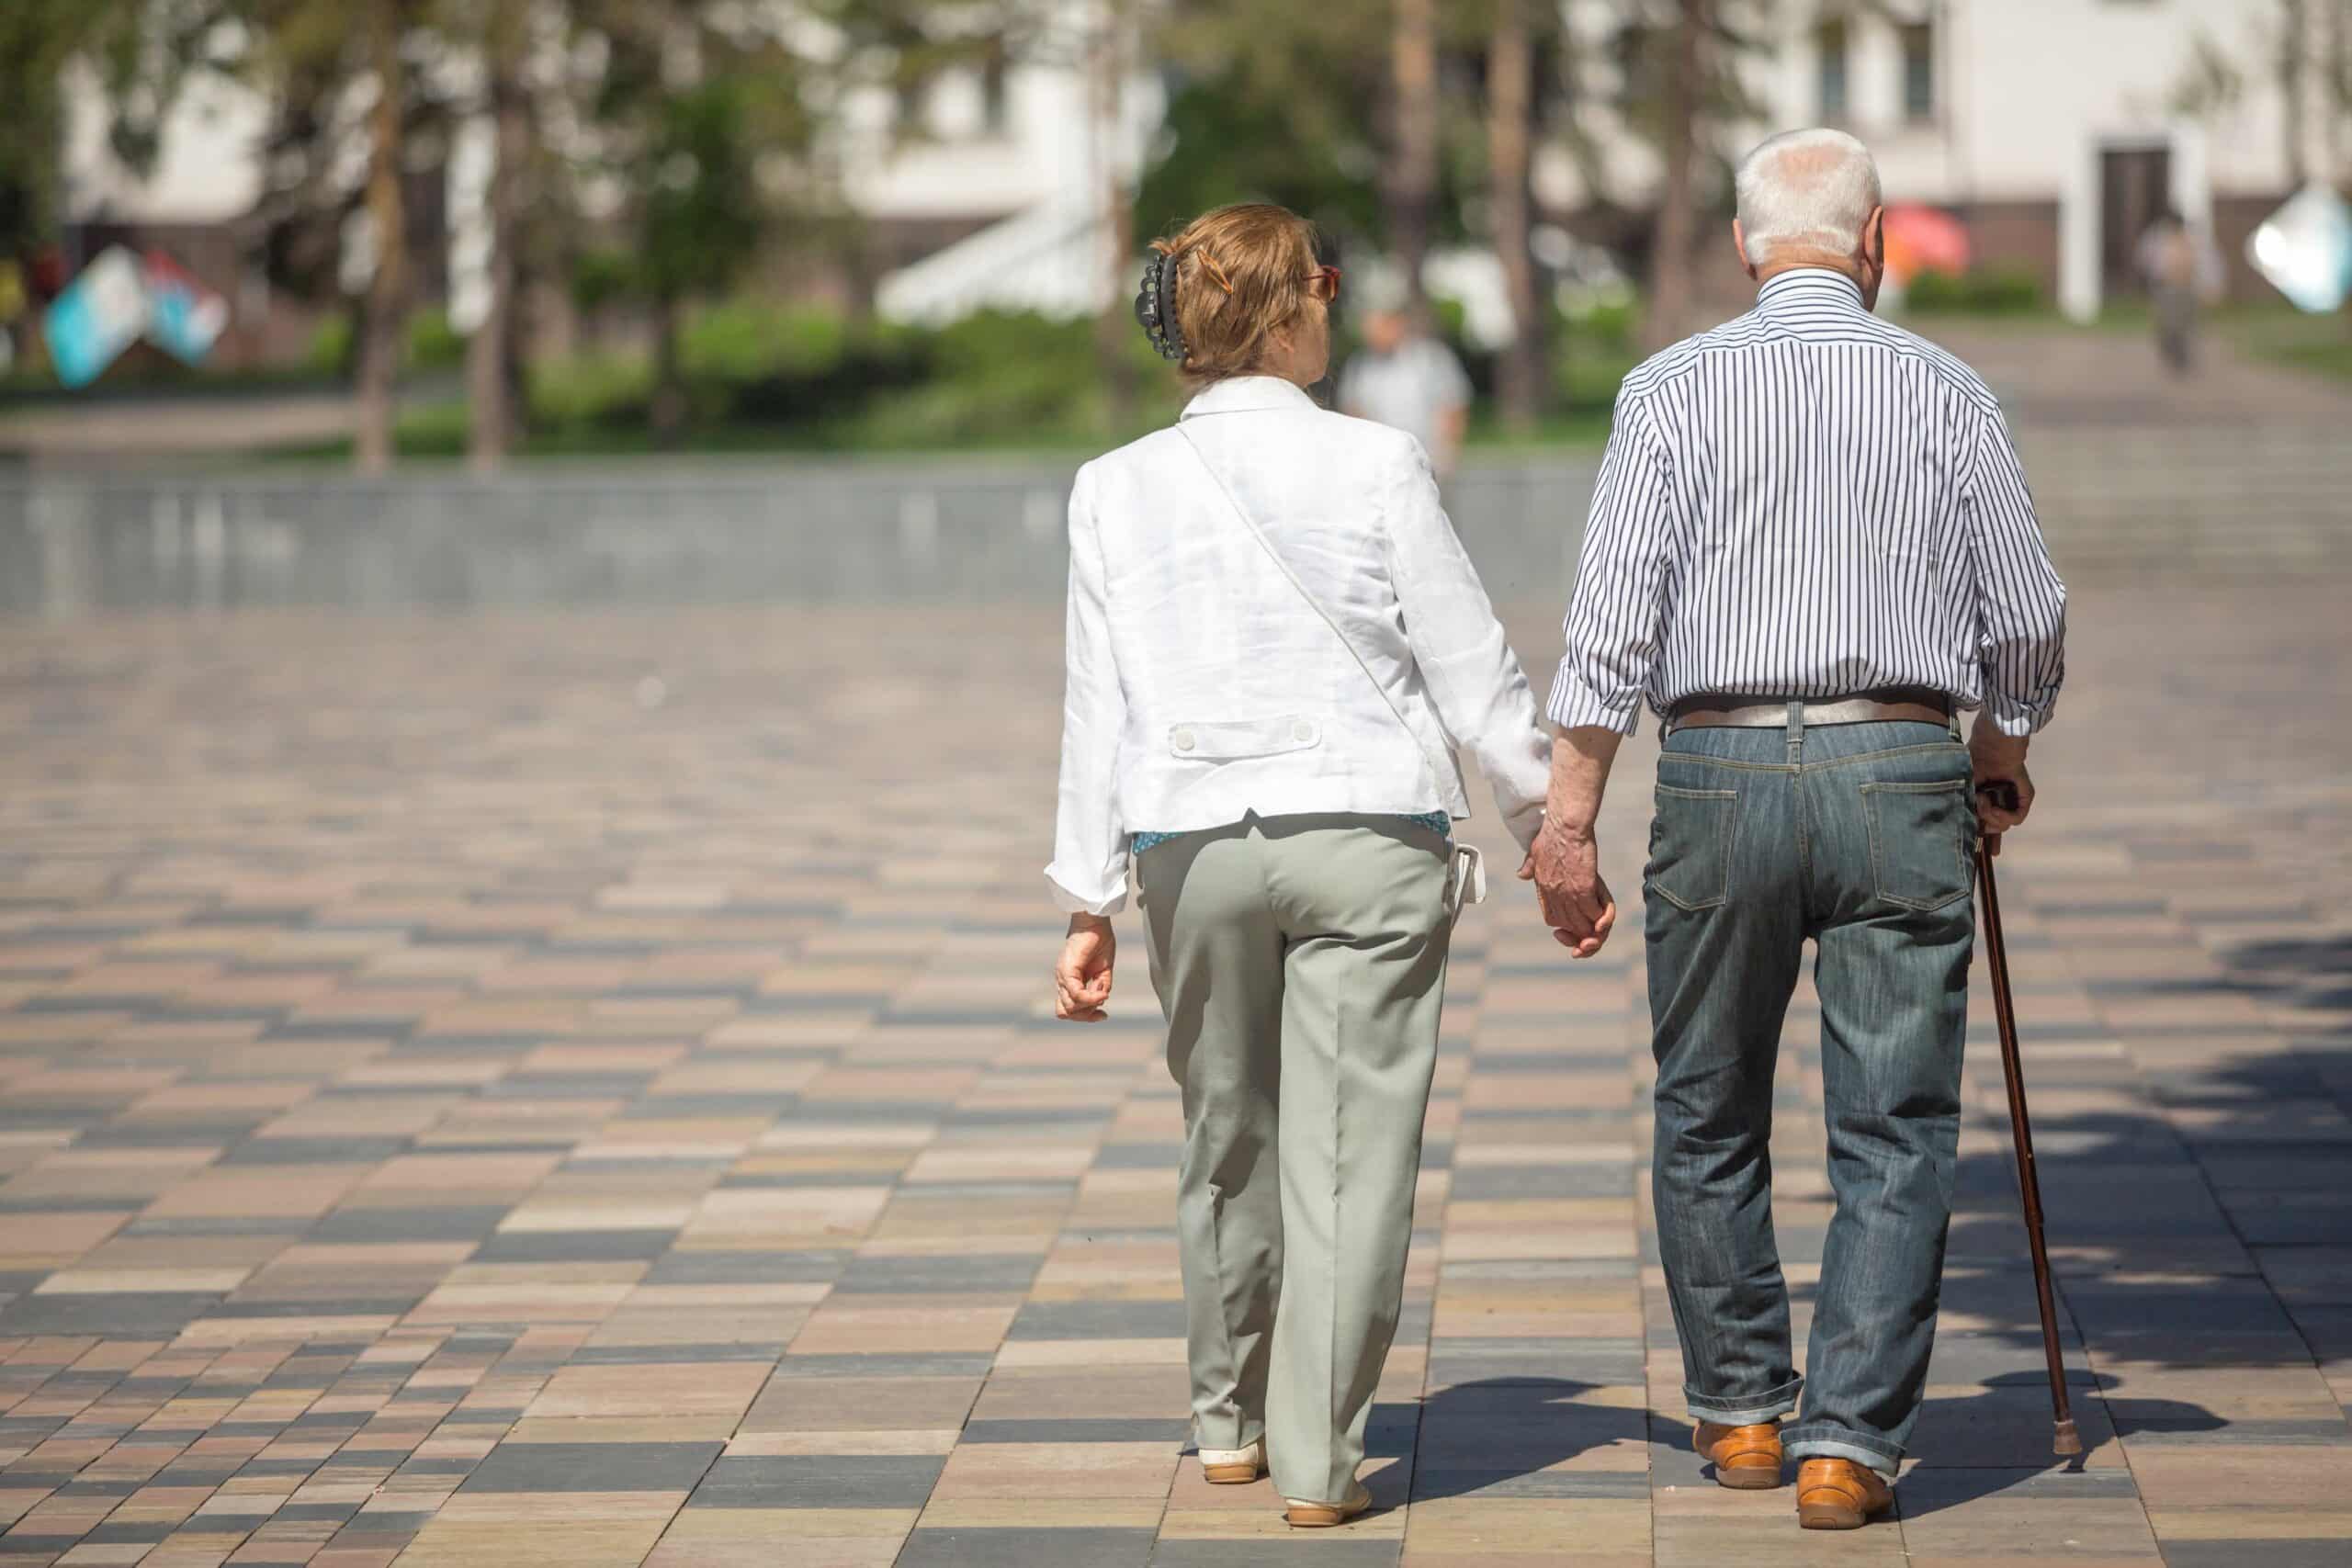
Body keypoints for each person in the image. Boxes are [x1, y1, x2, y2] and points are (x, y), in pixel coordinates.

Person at [1523, 128, 2067, 1529]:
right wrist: (1999, 744)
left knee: (1707, 1104)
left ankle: (1745, 1409)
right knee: (1894, 1123)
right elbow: (2026, 609)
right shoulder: (1948, 387)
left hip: (1713, 767)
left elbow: (1610, 627)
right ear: (1876, 243)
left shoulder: (1668, 390)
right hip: (1899, 758)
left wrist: (1567, 818)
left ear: (1746, 244)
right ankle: (1850, 1442)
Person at [1046, 202, 1551, 1528]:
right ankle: (1319, 1459)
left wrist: (1086, 895)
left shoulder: (1111, 485)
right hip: (1367, 833)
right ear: (1284, 316)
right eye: (1324, 283)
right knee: (1349, 1155)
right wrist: (1549, 817)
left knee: (1227, 1132)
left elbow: (1097, 705)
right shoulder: (1379, 464)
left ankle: (1226, 1419)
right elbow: (1468, 661)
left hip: (1190, 842)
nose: (1334, 304)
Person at [1339, 294, 1474, 480]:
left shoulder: (1431, 358)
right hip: (1381, 467)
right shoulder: (1360, 366)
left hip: (1429, 463)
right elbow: (1353, 412)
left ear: (1396, 324)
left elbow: (1453, 405)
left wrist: (1448, 452)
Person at [2137, 205, 2223, 375]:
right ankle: (2171, 353)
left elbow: (2209, 263)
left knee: (2186, 325)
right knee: (2167, 326)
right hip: (2166, 288)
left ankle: (2182, 358)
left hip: (2187, 288)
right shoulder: (2157, 239)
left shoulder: (2193, 240)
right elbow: (2144, 260)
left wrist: (2211, 286)